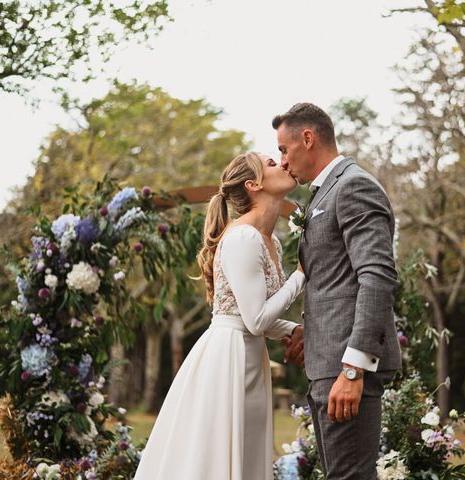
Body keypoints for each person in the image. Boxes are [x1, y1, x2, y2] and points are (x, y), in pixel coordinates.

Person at [133, 152, 305, 480]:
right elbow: (254, 320)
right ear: (253, 184)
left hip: (249, 354)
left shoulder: (272, 241)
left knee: (245, 452)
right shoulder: (242, 237)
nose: (282, 163)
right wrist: (301, 276)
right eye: (271, 163)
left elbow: (249, 316)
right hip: (228, 360)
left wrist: (294, 329)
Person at [274, 103, 401, 479]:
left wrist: (353, 368)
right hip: (327, 362)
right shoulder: (325, 193)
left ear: (308, 139)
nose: (282, 161)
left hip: (345, 366)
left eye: (284, 149)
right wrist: (307, 333)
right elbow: (335, 281)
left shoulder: (352, 186)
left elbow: (376, 275)